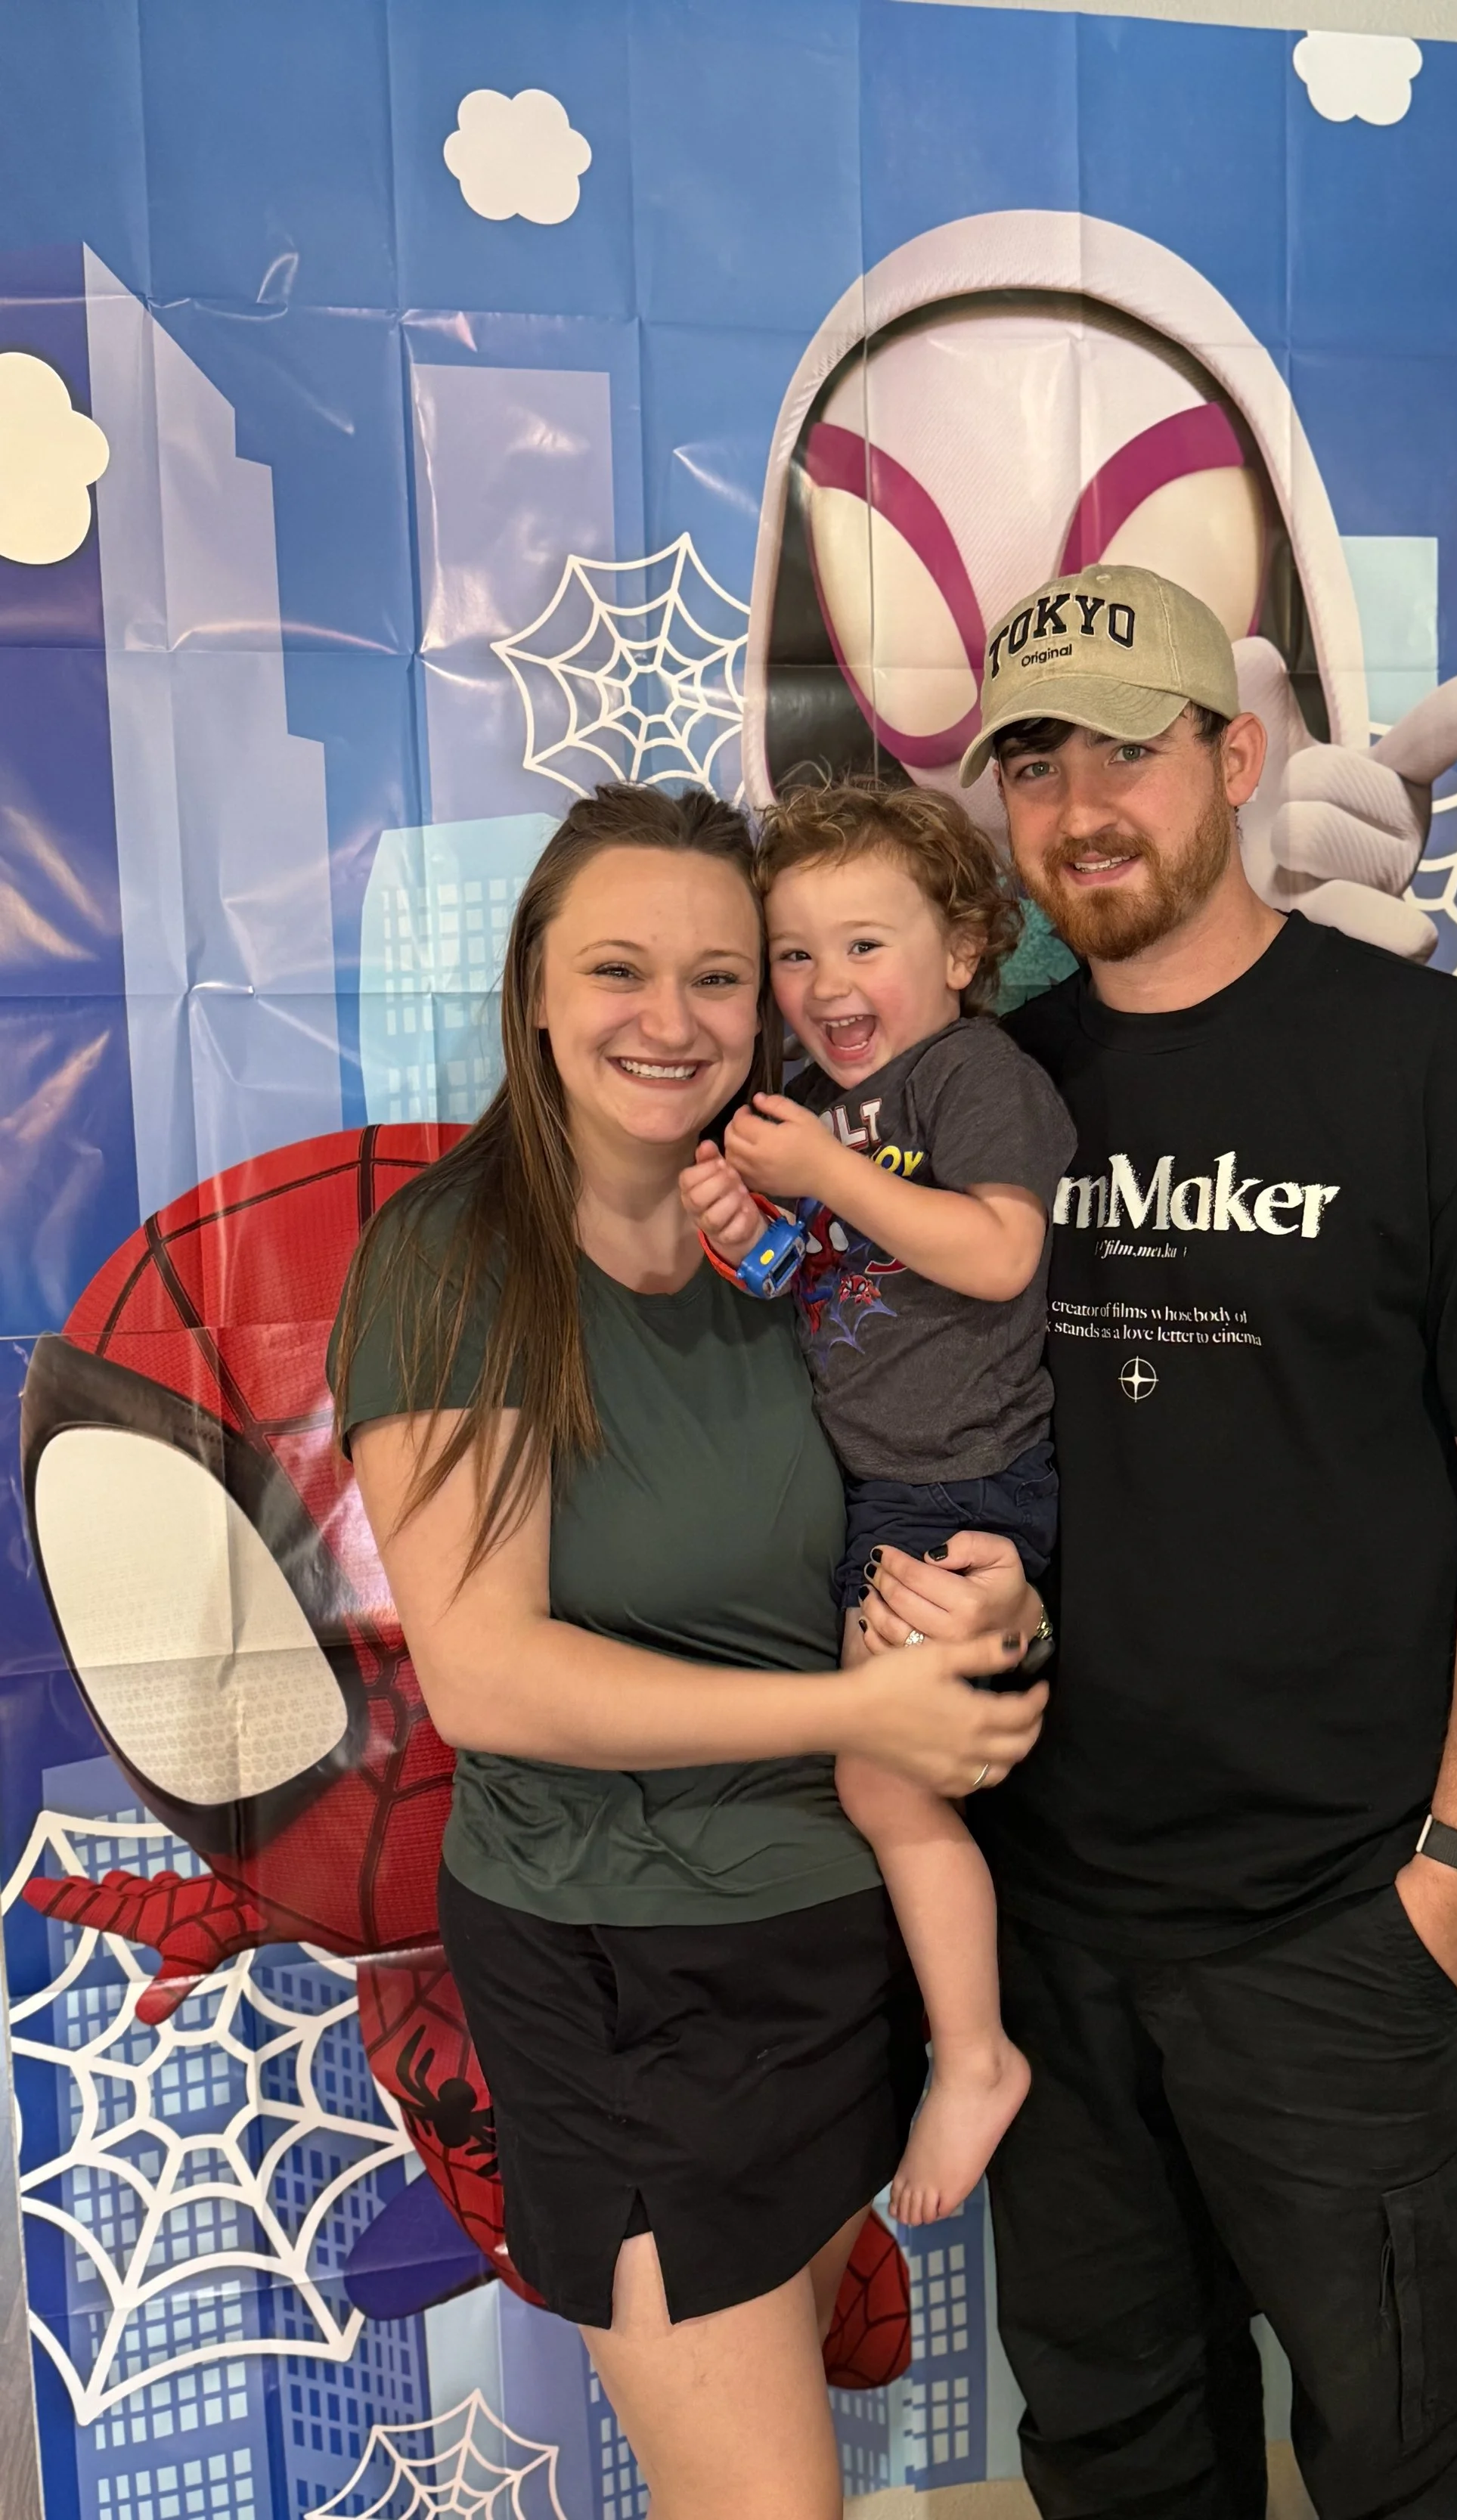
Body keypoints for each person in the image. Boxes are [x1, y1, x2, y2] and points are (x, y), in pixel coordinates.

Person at [863, 560, 1457, 2518]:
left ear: (1235, 753)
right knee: (1114, 2457)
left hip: (1333, 1927)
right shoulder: (981, 1089)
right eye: (1034, 765)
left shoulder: (1434, 1061)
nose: (1080, 807)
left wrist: (1456, 1872)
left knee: (1403, 2462)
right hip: (1048, 1927)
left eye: (1127, 750)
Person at [325, 782, 1047, 2520]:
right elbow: (488, 1677)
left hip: (834, 1943)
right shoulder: (455, 1258)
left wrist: (995, 1606)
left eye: (719, 976)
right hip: (624, 1963)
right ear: (535, 988)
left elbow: (914, 1485)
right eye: (619, 970)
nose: (672, 1019)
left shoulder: (790, 1240)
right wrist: (860, 1702)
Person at [679, 779, 1074, 2227]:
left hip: (959, 1482)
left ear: (963, 949)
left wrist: (824, 1167)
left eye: (864, 945)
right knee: (871, 1782)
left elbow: (996, 1254)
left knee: (880, 1781)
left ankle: (975, 2057)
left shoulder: (972, 1076)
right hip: (879, 1490)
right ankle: (953, 2046)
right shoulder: (822, 1107)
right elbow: (814, 1279)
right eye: (795, 953)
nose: (825, 983)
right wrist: (746, 1231)